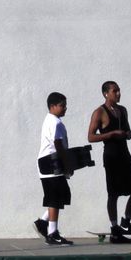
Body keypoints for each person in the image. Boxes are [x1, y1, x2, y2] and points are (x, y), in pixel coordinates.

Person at [87, 80, 131, 241]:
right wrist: (111, 134)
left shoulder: (123, 110)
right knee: (113, 193)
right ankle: (114, 228)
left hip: (124, 153)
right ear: (106, 93)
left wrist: (128, 134)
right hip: (111, 156)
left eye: (119, 90)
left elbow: (128, 130)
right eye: (115, 91)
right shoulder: (99, 112)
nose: (118, 94)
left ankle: (125, 221)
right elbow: (91, 136)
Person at [34, 92, 74, 245]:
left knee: (61, 195)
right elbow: (57, 144)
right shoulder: (55, 123)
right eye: (62, 105)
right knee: (55, 198)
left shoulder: (51, 120)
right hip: (51, 163)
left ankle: (43, 223)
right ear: (53, 106)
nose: (65, 108)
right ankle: (52, 233)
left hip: (49, 163)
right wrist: (67, 164)